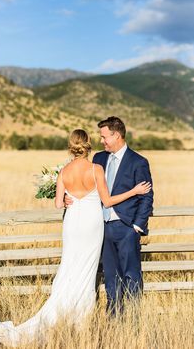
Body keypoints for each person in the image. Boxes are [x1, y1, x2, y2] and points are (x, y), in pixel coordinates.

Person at [0, 129, 151, 347]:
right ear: (88, 145)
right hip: (92, 226)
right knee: (87, 269)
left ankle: (61, 310)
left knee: (70, 265)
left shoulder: (64, 171)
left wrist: (67, 197)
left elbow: (58, 203)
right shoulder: (96, 168)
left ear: (71, 146)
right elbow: (108, 201)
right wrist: (134, 191)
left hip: (73, 224)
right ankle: (78, 321)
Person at [65, 117, 154, 314]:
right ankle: (113, 316)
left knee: (131, 274)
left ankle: (132, 318)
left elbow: (147, 197)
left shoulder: (138, 162)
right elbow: (81, 184)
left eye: (104, 137)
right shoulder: (98, 159)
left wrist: (136, 227)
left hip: (126, 227)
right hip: (101, 228)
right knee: (110, 276)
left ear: (117, 135)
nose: (101, 141)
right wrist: (66, 198)